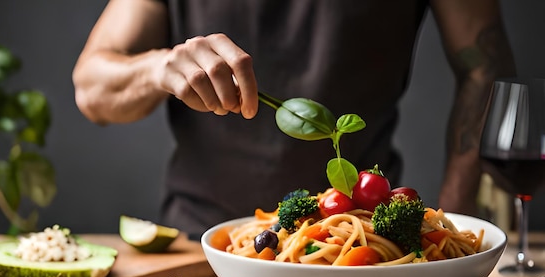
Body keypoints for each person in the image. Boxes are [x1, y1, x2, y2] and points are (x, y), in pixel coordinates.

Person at [73, 0, 516, 239]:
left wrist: (454, 230)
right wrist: (159, 68)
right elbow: (91, 88)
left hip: (362, 248)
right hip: (199, 244)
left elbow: (485, 65)